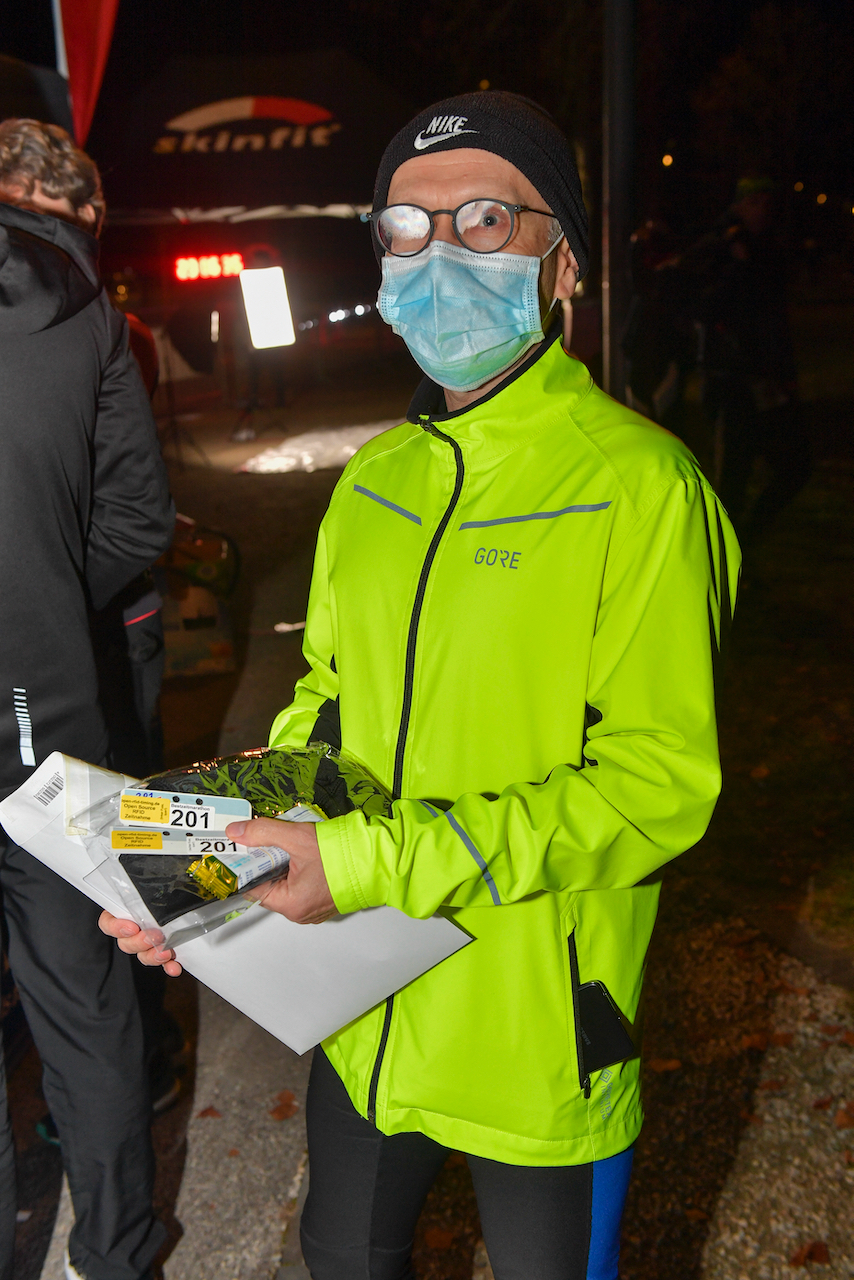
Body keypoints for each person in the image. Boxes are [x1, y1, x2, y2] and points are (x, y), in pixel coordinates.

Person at [103, 92, 741, 1279]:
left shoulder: (641, 487)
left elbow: (655, 789)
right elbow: (322, 722)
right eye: (407, 225)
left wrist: (359, 863)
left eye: (486, 218)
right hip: (364, 1017)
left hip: (539, 1031)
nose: (439, 252)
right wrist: (189, 867)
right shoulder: (377, 482)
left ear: (563, 266)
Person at [0, 119, 174, 1280]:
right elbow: (137, 522)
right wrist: (53, 594)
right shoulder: (91, 319)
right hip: (50, 712)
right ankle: (116, 1253)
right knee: (86, 997)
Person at [680, 177, 811, 545]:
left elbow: (773, 319)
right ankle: (729, 554)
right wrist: (736, 267)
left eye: (767, 202)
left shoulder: (765, 250)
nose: (762, 210)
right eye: (754, 201)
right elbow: (700, 305)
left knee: (794, 465)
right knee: (733, 475)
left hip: (764, 379)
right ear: (739, 205)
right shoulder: (719, 250)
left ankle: (746, 539)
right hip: (730, 380)